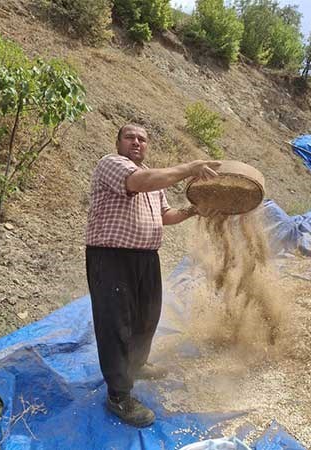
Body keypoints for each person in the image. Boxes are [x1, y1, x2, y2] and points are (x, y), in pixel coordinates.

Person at [85, 123, 220, 427]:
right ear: (118, 142)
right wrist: (190, 167)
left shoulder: (154, 181)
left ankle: (136, 363)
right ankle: (119, 395)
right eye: (130, 137)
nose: (136, 142)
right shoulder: (112, 165)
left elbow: (165, 216)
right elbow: (139, 181)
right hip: (111, 258)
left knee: (147, 317)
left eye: (142, 139)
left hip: (146, 258)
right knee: (116, 324)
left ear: (147, 146)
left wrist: (193, 211)